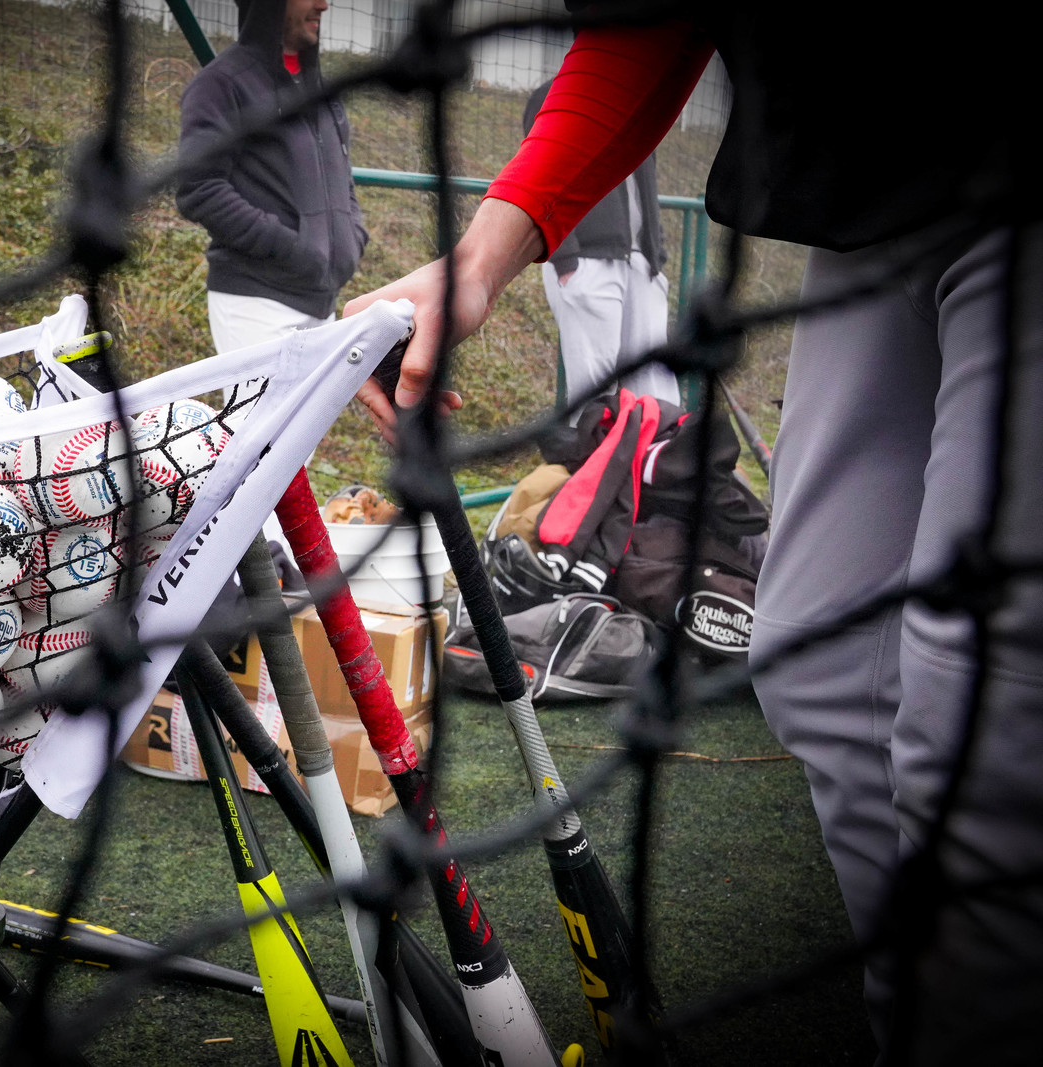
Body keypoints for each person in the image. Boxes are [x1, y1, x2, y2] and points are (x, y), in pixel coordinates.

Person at [347, 10, 1034, 1062]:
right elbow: (645, 20)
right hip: (877, 202)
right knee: (823, 671)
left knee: (980, 730)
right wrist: (483, 257)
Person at [176, 0, 368, 356]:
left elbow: (342, 178)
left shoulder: (320, 90)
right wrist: (294, 250)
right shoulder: (220, 85)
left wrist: (352, 236)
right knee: (263, 415)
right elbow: (198, 189)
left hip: (322, 305)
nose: (323, 5)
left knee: (314, 415)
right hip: (256, 305)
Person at [520, 79, 678, 411]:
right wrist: (565, 259)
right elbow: (540, 170)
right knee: (593, 395)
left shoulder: (641, 100)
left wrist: (656, 252)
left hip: (640, 263)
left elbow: (648, 187)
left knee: (655, 390)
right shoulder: (557, 94)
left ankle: (650, 462)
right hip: (587, 261)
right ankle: (593, 463)